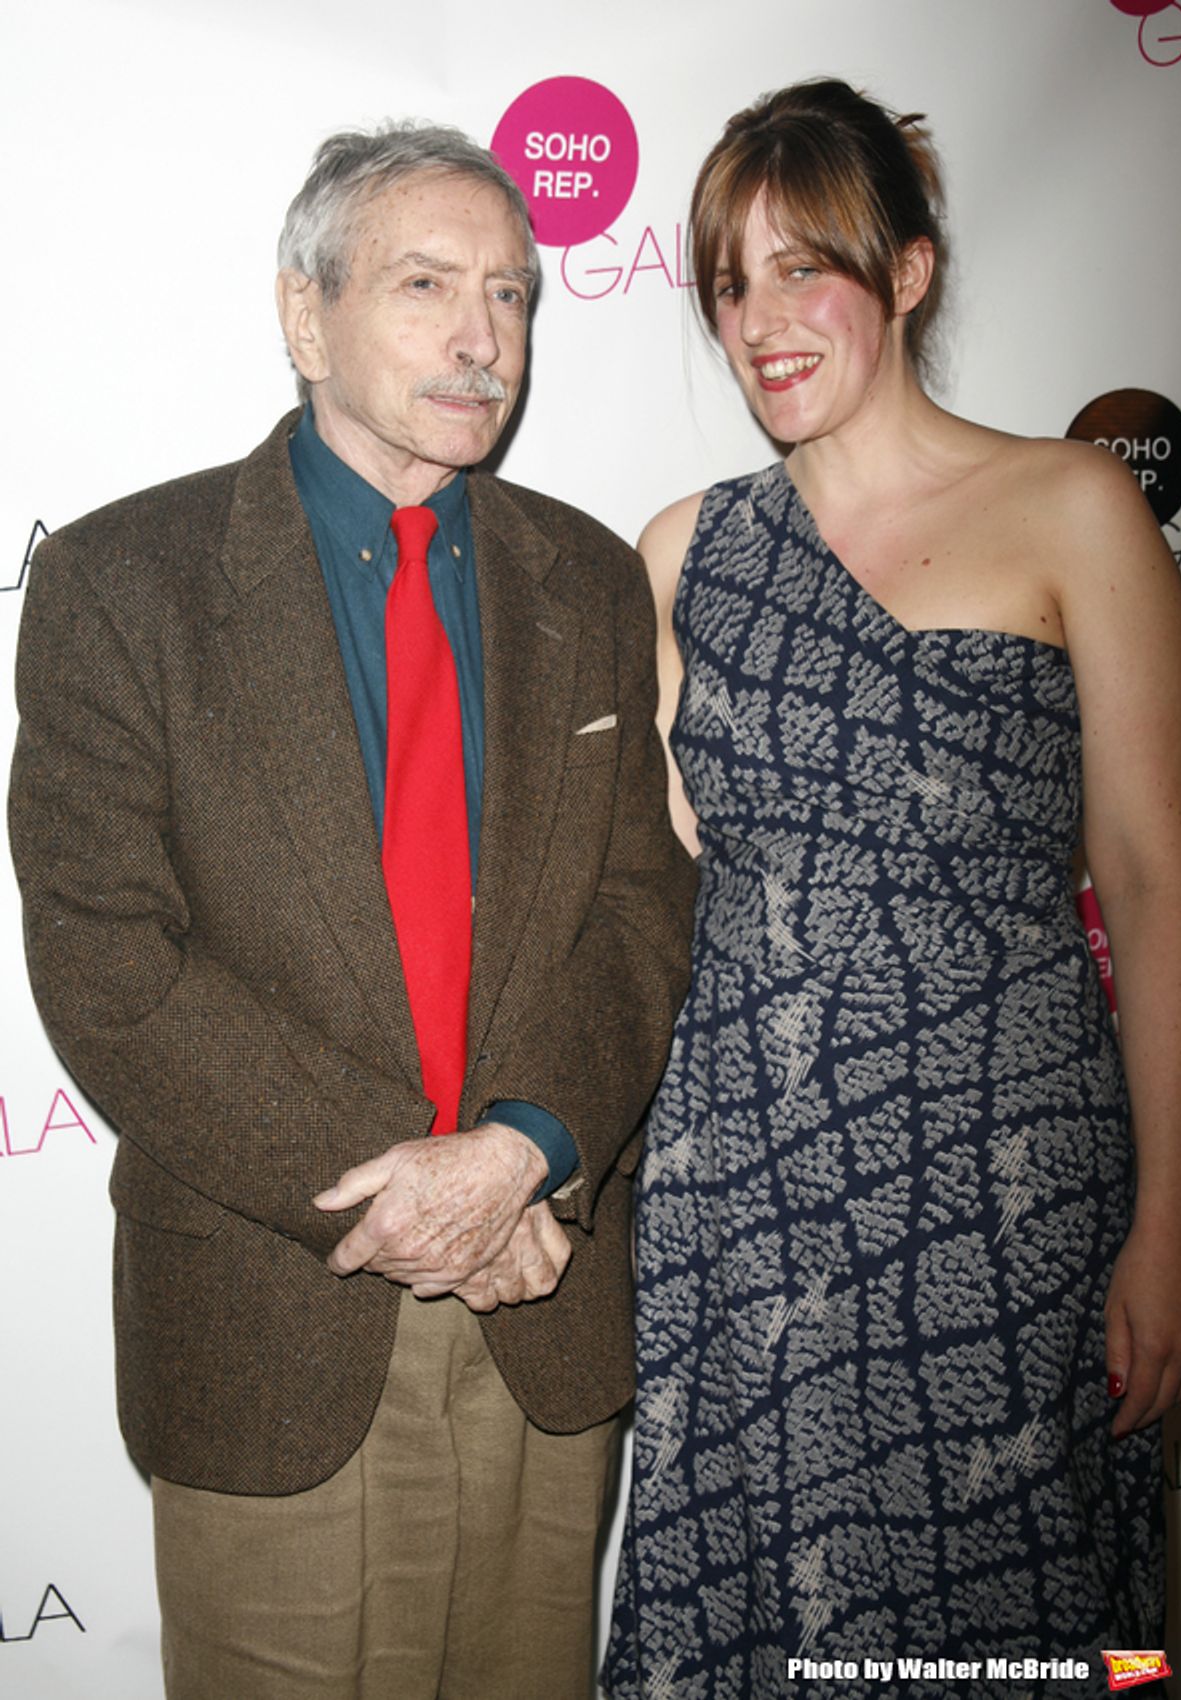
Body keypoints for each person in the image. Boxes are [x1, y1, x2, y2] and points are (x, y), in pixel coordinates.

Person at [9, 121, 695, 1700]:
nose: (482, 339)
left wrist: (527, 1147)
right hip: (275, 1310)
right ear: (304, 315)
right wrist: (410, 1200)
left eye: (513, 296)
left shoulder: (587, 579)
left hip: (543, 1288)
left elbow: (639, 912)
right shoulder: (127, 581)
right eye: (427, 284)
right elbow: (106, 959)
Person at [602, 79, 1181, 1699]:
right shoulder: (683, 554)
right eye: (733, 282)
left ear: (911, 272)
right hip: (752, 1193)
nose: (763, 320)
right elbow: (634, 883)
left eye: (809, 269)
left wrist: (1174, 1218)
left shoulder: (1077, 509)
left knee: (1027, 1623)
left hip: (1009, 1194)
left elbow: (1154, 883)